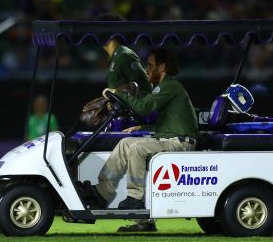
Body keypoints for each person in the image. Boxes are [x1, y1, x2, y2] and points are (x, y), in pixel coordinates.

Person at [82, 48, 198, 231]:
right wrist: (143, 128)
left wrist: (118, 93)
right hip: (172, 138)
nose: (146, 70)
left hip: (181, 144)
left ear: (162, 67)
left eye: (150, 65)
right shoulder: (166, 87)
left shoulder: (169, 86)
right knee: (125, 143)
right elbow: (167, 125)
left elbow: (144, 108)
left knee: (137, 148)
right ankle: (102, 193)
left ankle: (135, 199)